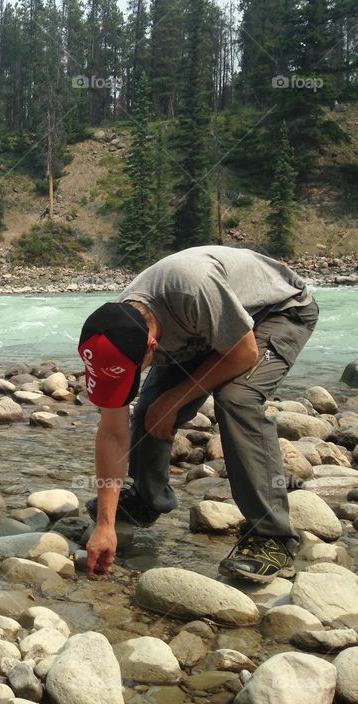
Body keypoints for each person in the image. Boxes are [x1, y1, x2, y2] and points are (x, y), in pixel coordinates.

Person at [79, 245, 318, 583]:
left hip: (277, 311)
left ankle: (272, 537)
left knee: (237, 399)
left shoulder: (192, 288)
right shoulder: (115, 331)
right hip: (205, 330)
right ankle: (148, 500)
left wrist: (174, 401)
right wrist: (105, 523)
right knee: (149, 409)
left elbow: (243, 353)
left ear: (150, 347)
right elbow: (112, 432)